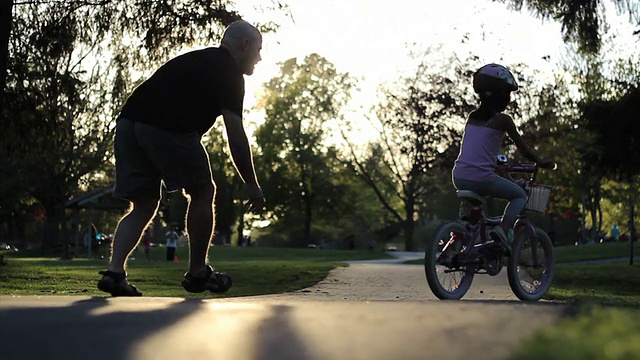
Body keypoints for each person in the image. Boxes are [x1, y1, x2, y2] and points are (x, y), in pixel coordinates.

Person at [97, 20, 266, 297]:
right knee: (202, 190)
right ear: (244, 45)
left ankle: (115, 273)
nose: (259, 58)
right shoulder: (230, 73)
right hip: (167, 128)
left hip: (129, 123)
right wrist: (252, 184)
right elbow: (235, 134)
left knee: (144, 203)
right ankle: (198, 272)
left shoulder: (195, 59)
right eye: (258, 49)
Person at [451, 64, 554, 251]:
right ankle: (503, 229)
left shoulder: (472, 117)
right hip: (481, 178)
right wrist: (541, 161)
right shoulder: (503, 120)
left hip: (459, 175)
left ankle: (466, 228)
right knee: (519, 195)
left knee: (476, 212)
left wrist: (495, 161)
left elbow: (478, 146)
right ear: (500, 94)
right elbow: (525, 151)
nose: (509, 98)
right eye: (507, 93)